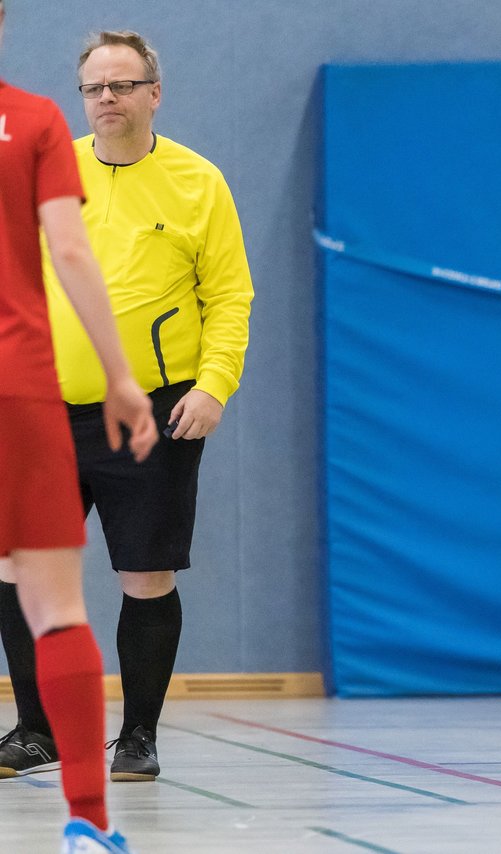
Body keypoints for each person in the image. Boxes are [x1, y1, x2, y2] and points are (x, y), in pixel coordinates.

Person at [0, 29, 253, 783]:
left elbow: (231, 297)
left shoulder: (198, 182)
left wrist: (214, 385)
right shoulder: (49, 169)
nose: (106, 99)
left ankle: (137, 736)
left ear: (154, 92)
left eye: (121, 85)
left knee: (145, 576)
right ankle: (36, 729)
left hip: (153, 410)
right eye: (93, 88)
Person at [0, 2, 156, 849]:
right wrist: (124, 379)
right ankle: (87, 826)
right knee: (57, 607)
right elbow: (69, 252)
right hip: (21, 386)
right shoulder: (34, 121)